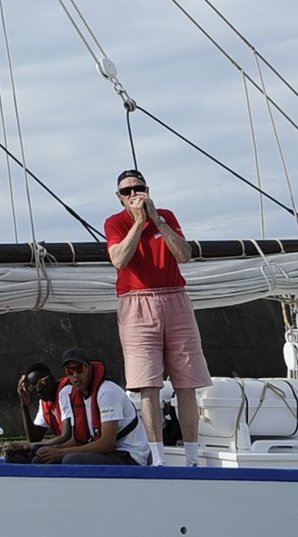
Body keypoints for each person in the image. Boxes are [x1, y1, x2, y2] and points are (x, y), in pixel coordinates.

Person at [106, 169, 210, 466]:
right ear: (119, 197)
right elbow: (119, 259)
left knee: (187, 382)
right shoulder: (115, 222)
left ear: (148, 190)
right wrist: (138, 223)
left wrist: (157, 220)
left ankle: (192, 458)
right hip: (137, 302)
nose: (134, 195)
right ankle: (158, 458)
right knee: (147, 384)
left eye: (138, 189)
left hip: (174, 296)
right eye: (127, 192)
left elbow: (184, 254)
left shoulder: (165, 216)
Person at [32, 348, 151, 466]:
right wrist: (53, 449)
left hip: (129, 455)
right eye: (70, 371)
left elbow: (107, 444)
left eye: (80, 369)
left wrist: (61, 452)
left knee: (72, 460)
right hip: (107, 453)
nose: (75, 375)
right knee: (40, 458)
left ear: (89, 369)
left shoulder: (107, 393)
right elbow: (77, 441)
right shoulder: (76, 396)